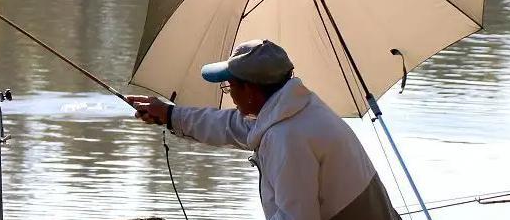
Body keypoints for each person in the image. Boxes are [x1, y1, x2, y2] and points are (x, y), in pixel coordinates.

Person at [128, 39, 401, 220]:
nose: (229, 94)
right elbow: (229, 125)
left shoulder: (287, 137)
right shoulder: (295, 106)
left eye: (229, 86)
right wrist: (170, 115)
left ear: (250, 89)